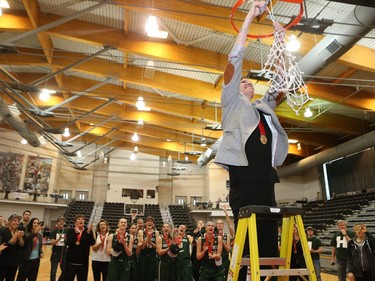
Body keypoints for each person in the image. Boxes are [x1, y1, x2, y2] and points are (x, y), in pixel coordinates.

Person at [213, 1, 289, 279]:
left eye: (249, 82)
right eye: (242, 81)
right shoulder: (232, 102)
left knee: (268, 245)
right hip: (244, 181)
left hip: (266, 181)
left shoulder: (263, 107)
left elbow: (280, 83)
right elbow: (235, 57)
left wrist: (279, 39)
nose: (246, 83)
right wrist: (250, 16)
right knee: (247, 247)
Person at [65, 214, 96, 281]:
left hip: (83, 262)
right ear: (75, 222)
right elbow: (68, 243)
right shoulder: (70, 231)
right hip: (71, 262)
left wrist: (89, 234)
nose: (80, 220)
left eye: (82, 219)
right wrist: (76, 234)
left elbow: (92, 243)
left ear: (84, 221)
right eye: (78, 219)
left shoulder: (88, 231)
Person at [0, 214, 25, 281]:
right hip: (3, 262)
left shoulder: (17, 232)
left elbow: (22, 246)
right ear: (9, 221)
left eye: (18, 221)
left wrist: (20, 238)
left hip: (14, 262)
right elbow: (5, 245)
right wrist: (15, 236)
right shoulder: (3, 231)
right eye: (14, 220)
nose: (16, 222)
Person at [138, 216, 159, 281]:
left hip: (152, 255)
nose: (150, 222)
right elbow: (142, 247)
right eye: (148, 221)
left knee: (151, 275)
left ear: (153, 224)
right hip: (143, 255)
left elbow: (157, 248)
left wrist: (150, 242)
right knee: (142, 275)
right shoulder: (141, 232)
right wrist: (147, 237)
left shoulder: (156, 232)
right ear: (145, 223)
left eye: (151, 221)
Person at [49, 216, 67, 281]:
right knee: (53, 272)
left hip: (64, 254)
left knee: (65, 271)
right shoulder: (54, 232)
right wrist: (58, 239)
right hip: (55, 254)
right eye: (60, 221)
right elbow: (52, 243)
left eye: (63, 221)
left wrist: (66, 240)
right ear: (57, 223)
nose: (61, 222)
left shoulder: (66, 231)